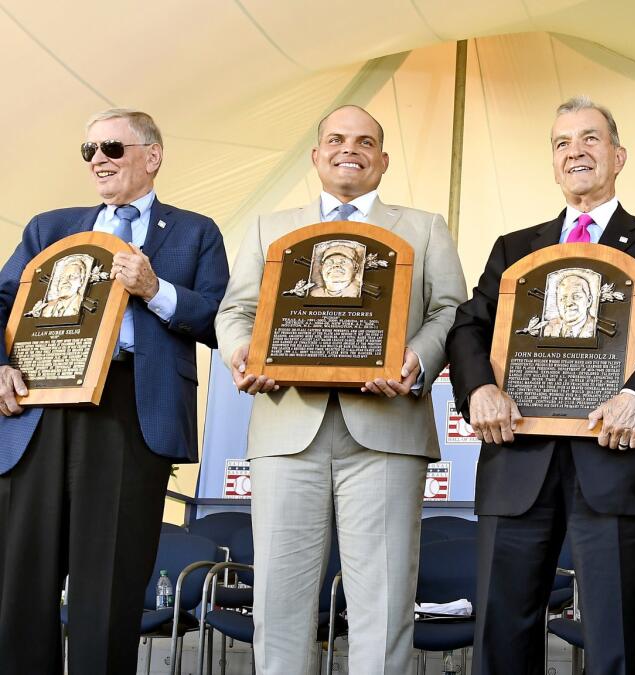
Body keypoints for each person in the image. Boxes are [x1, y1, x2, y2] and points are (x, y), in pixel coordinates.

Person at [447, 96, 635, 675]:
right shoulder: (515, 248)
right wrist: (480, 388)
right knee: (500, 633)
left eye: (590, 138)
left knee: (613, 635)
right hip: (518, 460)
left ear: (618, 154)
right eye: (562, 143)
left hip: (616, 460)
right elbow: (468, 325)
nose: (575, 152)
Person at [215, 104, 467, 674]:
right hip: (287, 428)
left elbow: (452, 310)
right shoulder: (268, 226)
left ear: (381, 161)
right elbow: (236, 311)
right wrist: (240, 353)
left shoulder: (425, 227)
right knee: (277, 603)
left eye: (363, 141)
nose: (347, 148)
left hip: (386, 430)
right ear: (315, 155)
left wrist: (418, 359)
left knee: (383, 605)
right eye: (335, 139)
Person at [0, 108, 229, 674]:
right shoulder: (49, 228)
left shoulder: (196, 231)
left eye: (111, 147)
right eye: (89, 151)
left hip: (132, 407)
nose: (98, 159)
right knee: (21, 581)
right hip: (37, 407)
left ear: (152, 156)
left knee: (111, 585)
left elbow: (222, 322)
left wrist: (156, 289)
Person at [542, 272, 598, 338]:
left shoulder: (597, 327)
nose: (568, 303)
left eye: (576, 296)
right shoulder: (547, 328)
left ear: (589, 301)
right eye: (563, 298)